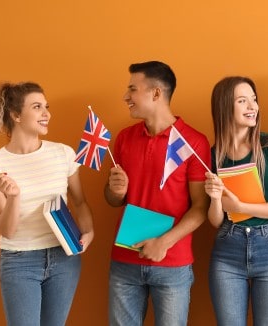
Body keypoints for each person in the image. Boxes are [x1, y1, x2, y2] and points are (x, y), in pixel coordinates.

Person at [0, 82, 95, 326]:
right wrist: (14, 197)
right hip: (19, 261)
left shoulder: (63, 153)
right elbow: (7, 230)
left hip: (64, 258)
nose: (46, 114)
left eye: (46, 107)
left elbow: (80, 202)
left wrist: (89, 231)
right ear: (16, 115)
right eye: (37, 107)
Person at [105, 61, 210, 326]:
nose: (125, 97)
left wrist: (164, 242)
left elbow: (200, 207)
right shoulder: (125, 138)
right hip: (125, 261)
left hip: (173, 264)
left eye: (132, 89)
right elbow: (113, 199)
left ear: (155, 93)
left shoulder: (194, 142)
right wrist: (115, 191)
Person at [204, 76, 268, 326]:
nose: (252, 107)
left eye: (254, 100)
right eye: (242, 101)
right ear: (224, 107)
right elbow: (215, 221)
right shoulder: (214, 156)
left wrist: (241, 207)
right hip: (227, 248)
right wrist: (215, 199)